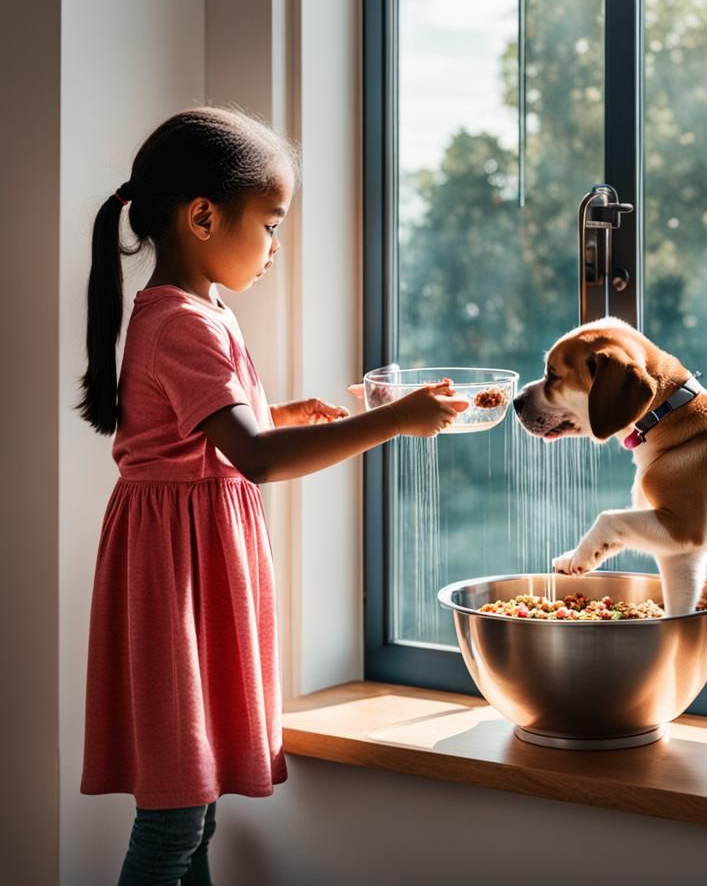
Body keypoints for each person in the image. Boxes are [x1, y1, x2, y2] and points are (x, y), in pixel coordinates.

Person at [77, 106, 465, 885]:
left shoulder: (199, 311)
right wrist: (394, 422)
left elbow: (207, 432)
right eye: (271, 222)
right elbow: (251, 457)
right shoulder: (184, 320)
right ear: (202, 216)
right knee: (176, 814)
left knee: (196, 801)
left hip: (188, 558)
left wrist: (282, 412)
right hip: (175, 571)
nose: (277, 246)